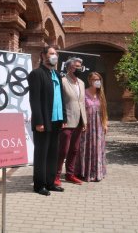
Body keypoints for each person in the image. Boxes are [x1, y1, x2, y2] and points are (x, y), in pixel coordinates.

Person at [28, 45, 66, 196]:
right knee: (41, 154)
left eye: (56, 54)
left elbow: (61, 99)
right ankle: (39, 185)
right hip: (43, 121)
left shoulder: (57, 74)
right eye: (51, 53)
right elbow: (34, 100)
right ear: (43, 56)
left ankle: (50, 183)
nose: (54, 56)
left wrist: (63, 117)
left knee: (53, 153)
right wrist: (38, 121)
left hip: (57, 120)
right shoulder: (36, 74)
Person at [55, 57, 87, 186]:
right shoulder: (62, 81)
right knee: (63, 150)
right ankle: (56, 175)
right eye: (76, 66)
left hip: (79, 120)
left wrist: (85, 121)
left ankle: (70, 174)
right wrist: (61, 118)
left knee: (74, 149)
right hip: (67, 120)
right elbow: (59, 101)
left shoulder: (81, 83)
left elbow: (82, 103)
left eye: (80, 66)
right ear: (68, 68)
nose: (79, 68)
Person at [77, 72, 108, 182]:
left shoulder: (101, 94)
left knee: (97, 149)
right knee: (86, 148)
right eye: (95, 79)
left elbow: (104, 111)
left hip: (98, 126)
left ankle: (97, 172)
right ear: (90, 81)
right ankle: (84, 172)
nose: (97, 81)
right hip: (87, 125)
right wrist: (82, 123)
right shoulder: (83, 93)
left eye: (99, 79)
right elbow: (80, 110)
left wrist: (105, 124)